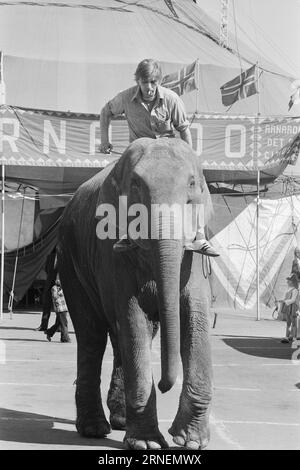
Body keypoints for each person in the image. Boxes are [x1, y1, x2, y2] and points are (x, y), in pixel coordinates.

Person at [99, 58, 219, 257]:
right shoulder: (125, 98)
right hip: (140, 156)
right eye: (145, 82)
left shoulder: (172, 99)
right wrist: (105, 140)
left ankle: (199, 237)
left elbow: (183, 130)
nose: (149, 87)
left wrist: (189, 161)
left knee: (198, 181)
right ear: (138, 81)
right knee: (118, 180)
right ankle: (126, 233)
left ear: (159, 81)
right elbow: (105, 112)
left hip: (169, 156)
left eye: (154, 82)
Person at [35, 248, 58, 331]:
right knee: (46, 305)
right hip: (49, 283)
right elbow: (46, 269)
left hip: (59, 285)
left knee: (59, 307)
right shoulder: (50, 257)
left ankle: (58, 325)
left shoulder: (65, 258)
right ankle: (43, 325)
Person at [45, 276, 71, 343]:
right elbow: (55, 296)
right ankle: (65, 338)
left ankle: (49, 332)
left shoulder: (64, 288)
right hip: (59, 309)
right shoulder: (54, 288)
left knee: (58, 324)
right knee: (64, 323)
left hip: (64, 308)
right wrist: (60, 291)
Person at [280, 273, 299, 343]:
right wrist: (282, 300)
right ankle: (287, 336)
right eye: (288, 280)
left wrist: (284, 301)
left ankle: (293, 337)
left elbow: (293, 300)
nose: (287, 281)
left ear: (293, 281)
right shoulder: (288, 289)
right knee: (288, 323)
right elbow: (286, 297)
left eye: (289, 280)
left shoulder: (295, 290)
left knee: (293, 323)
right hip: (288, 307)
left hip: (293, 307)